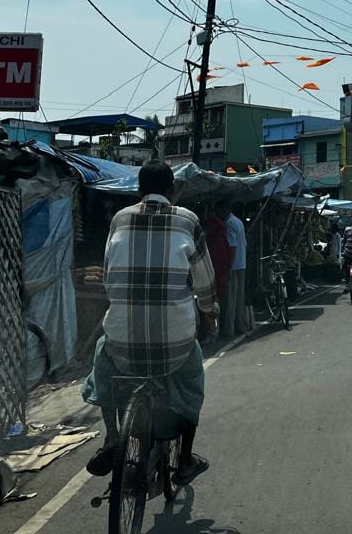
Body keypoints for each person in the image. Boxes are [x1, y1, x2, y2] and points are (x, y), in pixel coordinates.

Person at [84, 161, 217, 483]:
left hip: (121, 340)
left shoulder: (119, 219)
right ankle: (184, 461)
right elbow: (205, 283)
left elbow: (108, 274)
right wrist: (210, 315)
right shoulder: (187, 220)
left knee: (103, 356)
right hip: (176, 341)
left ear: (139, 191)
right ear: (172, 191)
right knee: (190, 384)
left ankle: (112, 437)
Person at [203, 207, 232, 344]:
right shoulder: (219, 237)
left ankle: (214, 331)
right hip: (219, 272)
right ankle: (216, 330)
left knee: (213, 302)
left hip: (217, 273)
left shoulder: (216, 239)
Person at [222, 210, 248, 338]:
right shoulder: (238, 221)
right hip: (241, 263)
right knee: (239, 298)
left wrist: (229, 265)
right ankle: (241, 326)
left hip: (233, 265)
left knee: (230, 299)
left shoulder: (228, 223)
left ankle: (229, 330)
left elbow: (232, 246)